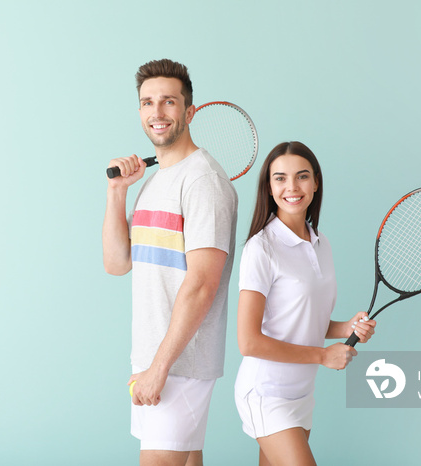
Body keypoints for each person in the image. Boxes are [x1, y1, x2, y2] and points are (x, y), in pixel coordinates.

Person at [102, 59, 238, 466]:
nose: (156, 113)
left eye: (168, 102)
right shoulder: (155, 181)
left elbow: (202, 285)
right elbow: (117, 263)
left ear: (189, 111)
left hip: (180, 363)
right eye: (147, 103)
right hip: (153, 358)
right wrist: (117, 192)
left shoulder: (203, 182)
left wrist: (160, 366)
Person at [233, 141, 376, 466]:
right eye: (280, 178)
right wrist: (323, 355)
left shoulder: (320, 243)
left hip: (301, 392)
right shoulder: (261, 248)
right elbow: (248, 341)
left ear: (315, 183)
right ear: (269, 188)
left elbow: (303, 319)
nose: (292, 187)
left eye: (301, 176)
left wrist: (347, 327)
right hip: (266, 391)